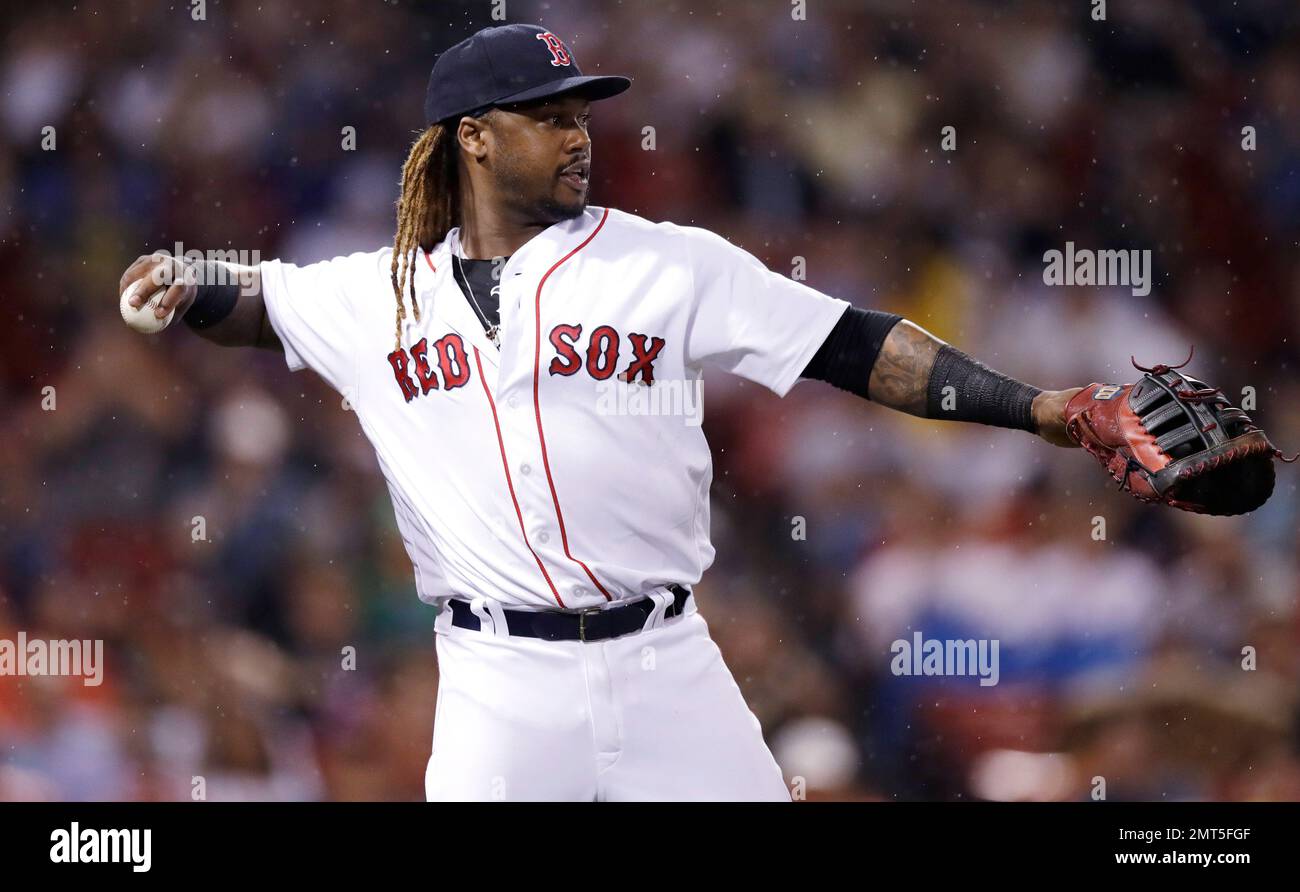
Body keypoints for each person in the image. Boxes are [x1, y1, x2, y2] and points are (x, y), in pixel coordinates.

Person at [117, 23, 1083, 801]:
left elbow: (858, 345)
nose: (579, 134)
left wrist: (1041, 409)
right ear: (475, 136)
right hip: (496, 683)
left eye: (580, 113)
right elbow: (260, 302)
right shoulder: (378, 294)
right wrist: (183, 278)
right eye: (548, 116)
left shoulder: (666, 262)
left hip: (669, 664)